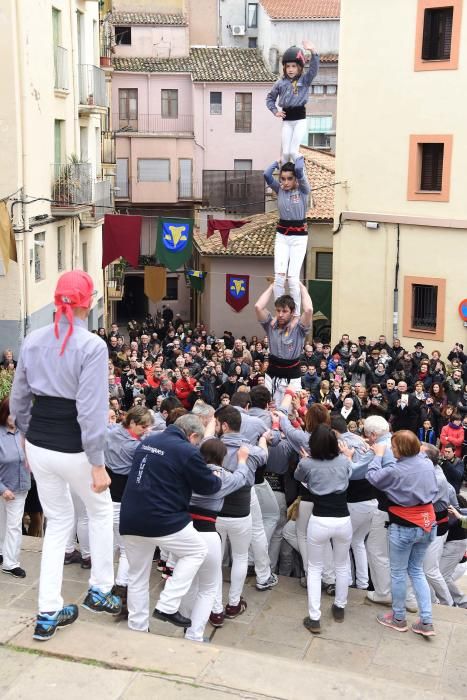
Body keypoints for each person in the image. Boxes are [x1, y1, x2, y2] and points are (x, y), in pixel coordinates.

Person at [10, 270, 121, 641]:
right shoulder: (92, 346)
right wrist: (97, 463)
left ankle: (47, 612)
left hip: (39, 443)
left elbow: (19, 400)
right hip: (74, 447)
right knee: (101, 510)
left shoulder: (32, 340)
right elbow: (90, 411)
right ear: (87, 303)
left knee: (59, 523)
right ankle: (101, 588)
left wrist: (26, 439)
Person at [120, 414, 222, 632]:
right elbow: (208, 486)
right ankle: (167, 604)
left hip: (131, 516)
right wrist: (216, 477)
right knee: (196, 551)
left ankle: (137, 628)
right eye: (196, 441)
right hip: (163, 518)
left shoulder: (148, 441)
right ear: (192, 435)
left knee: (137, 575)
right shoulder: (186, 450)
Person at [367, 431, 438, 637]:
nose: (392, 449)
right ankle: (426, 621)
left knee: (398, 573)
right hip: (427, 522)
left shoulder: (396, 470)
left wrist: (378, 455)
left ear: (402, 449)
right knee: (416, 571)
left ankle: (398, 618)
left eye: (394, 447)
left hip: (404, 525)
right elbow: (423, 452)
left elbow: (373, 477)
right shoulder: (426, 462)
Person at [294, 424, 353, 633]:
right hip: (343, 519)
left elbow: (298, 477)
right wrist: (348, 456)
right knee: (341, 565)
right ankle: (340, 606)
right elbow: (349, 472)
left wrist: (304, 461)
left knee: (315, 568)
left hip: (319, 519)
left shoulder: (308, 463)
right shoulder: (344, 461)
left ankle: (314, 616)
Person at [104, 406, 153, 617]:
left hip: (107, 495)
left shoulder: (110, 431)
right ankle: (120, 589)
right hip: (124, 499)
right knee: (125, 549)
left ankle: (111, 586)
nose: (146, 430)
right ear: (131, 422)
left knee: (114, 545)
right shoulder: (135, 447)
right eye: (143, 426)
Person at [263, 160, 310, 314]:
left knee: (293, 279)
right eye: (283, 178)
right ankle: (280, 310)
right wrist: (277, 163)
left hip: (299, 238)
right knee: (279, 277)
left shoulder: (303, 190)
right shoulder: (280, 190)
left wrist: (295, 156)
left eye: (290, 178)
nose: (285, 182)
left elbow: (299, 168)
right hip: (282, 236)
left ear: (296, 178)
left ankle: (295, 314)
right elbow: (266, 174)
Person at [254, 283, 313, 401]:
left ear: (292, 312)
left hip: (292, 375)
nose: (280, 314)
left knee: (291, 410)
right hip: (272, 374)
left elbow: (308, 310)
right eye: (278, 311)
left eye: (285, 311)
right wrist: (273, 285)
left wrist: (301, 287)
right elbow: (258, 307)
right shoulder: (270, 325)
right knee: (269, 407)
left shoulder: (299, 328)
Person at [266, 42, 320, 163]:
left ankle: (301, 172)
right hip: (287, 121)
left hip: (300, 120)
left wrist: (313, 51)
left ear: (299, 67)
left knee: (293, 151)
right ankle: (284, 179)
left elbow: (314, 69)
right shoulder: (280, 83)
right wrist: (275, 112)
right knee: (285, 153)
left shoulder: (305, 80)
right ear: (284, 67)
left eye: (294, 66)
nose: (290, 69)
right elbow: (270, 98)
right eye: (288, 66)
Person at [0, 397, 30, 578]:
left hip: (20, 488)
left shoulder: (23, 433)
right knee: (3, 523)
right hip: (4, 487)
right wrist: (2, 489)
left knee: (13, 525)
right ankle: (6, 558)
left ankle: (10, 561)